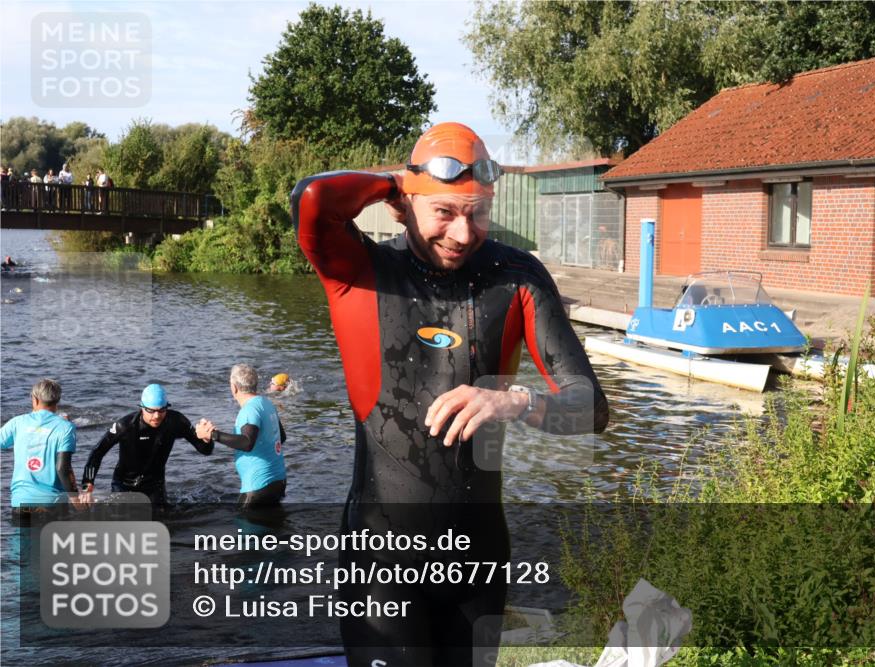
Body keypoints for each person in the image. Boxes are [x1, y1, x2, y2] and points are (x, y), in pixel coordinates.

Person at [291, 122, 609, 666]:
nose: (463, 233)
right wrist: (399, 182)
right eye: (444, 211)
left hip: (477, 564)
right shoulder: (362, 272)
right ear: (404, 205)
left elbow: (591, 409)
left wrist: (516, 401)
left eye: (477, 212)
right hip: (381, 565)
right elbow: (313, 199)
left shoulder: (517, 276)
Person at [79, 384, 213, 505]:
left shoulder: (176, 421)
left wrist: (207, 440)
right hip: (124, 484)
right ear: (142, 407)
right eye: (151, 411)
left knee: (162, 523)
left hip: (155, 484)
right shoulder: (125, 426)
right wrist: (87, 483)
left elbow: (205, 450)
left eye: (161, 410)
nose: (156, 416)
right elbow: (98, 452)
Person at [198, 364, 286, 508]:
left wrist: (212, 434)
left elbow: (247, 443)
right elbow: (281, 437)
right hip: (278, 481)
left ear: (234, 387)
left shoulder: (249, 410)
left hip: (258, 486)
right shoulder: (266, 403)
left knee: (243, 526)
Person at [0, 379, 82, 511]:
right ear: (57, 400)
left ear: (35, 399)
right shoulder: (66, 427)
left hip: (21, 502)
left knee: (23, 532)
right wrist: (75, 499)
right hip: (53, 503)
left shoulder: (17, 423)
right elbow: (63, 468)